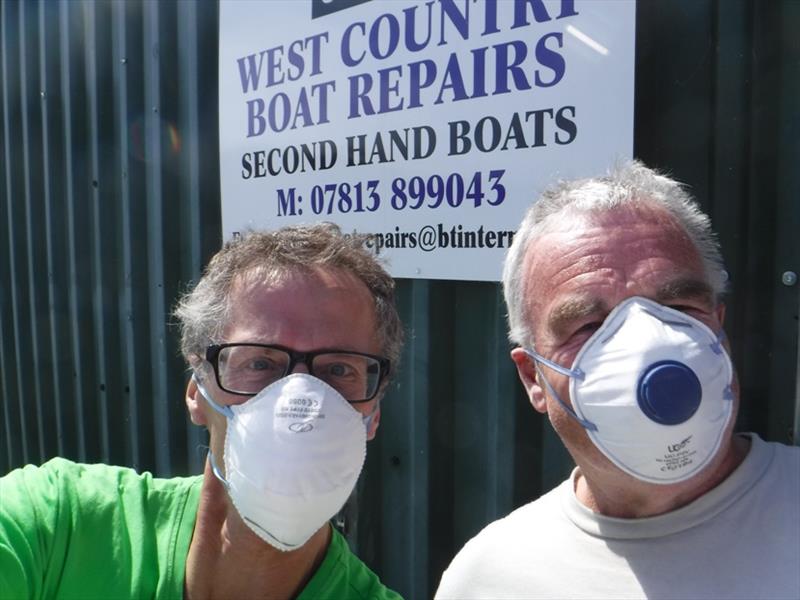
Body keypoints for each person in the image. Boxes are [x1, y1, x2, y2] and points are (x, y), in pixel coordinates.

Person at [435, 161, 800, 599]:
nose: (648, 346)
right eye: (588, 325)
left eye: (681, 308)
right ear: (533, 376)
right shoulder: (488, 580)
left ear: (718, 327)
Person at [0, 224, 405, 599]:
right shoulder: (59, 525)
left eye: (338, 370)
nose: (298, 401)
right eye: (260, 363)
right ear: (196, 391)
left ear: (373, 415)